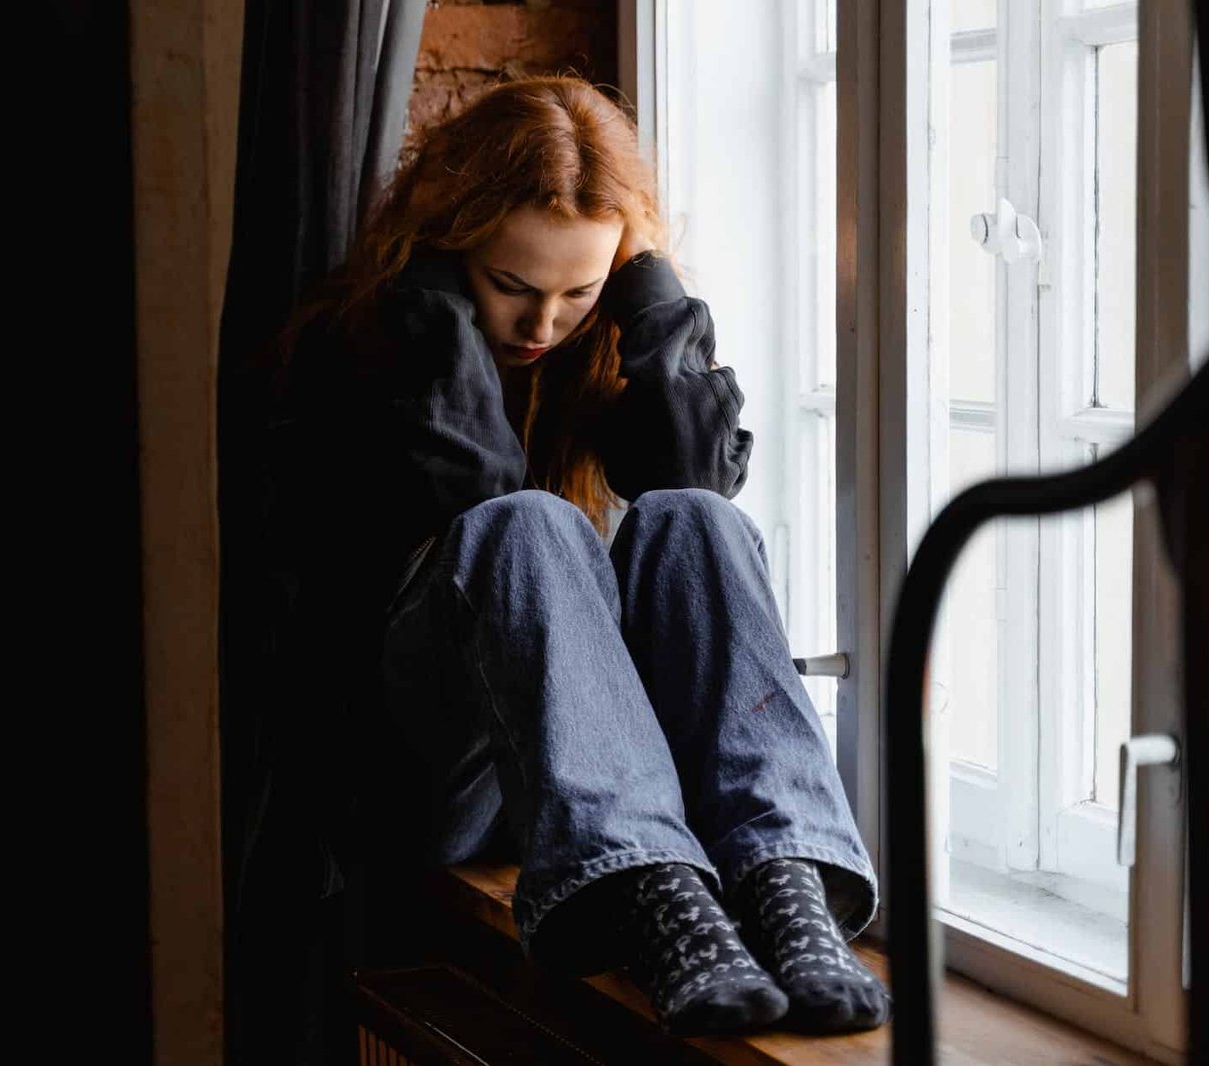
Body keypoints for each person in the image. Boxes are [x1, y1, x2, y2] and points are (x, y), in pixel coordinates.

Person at [277, 74, 889, 1037]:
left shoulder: (598, 341)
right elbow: (481, 508)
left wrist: (649, 299)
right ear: (449, 246)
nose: (541, 327)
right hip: (430, 789)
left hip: (582, 780)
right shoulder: (361, 349)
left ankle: (787, 879)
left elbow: (697, 478)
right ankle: (649, 895)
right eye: (509, 285)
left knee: (696, 519)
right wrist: (436, 312)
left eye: (581, 291)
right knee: (526, 524)